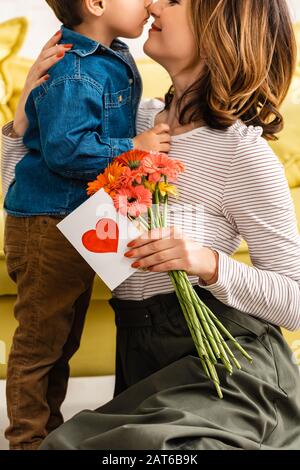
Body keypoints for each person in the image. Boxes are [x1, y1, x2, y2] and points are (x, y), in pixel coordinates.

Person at [3, 0, 300, 451]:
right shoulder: (127, 124)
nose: (155, 3)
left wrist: (208, 263)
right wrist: (23, 120)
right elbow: (35, 199)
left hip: (230, 366)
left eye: (175, 1)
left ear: (217, 28)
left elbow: (295, 303)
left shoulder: (242, 153)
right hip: (143, 364)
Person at [1, 0, 173, 451]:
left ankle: (49, 432)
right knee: (40, 345)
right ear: (96, 4)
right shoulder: (72, 70)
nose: (151, 3)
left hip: (76, 224)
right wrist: (133, 146)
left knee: (61, 341)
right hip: (47, 227)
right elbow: (66, 150)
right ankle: (26, 441)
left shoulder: (112, 54)